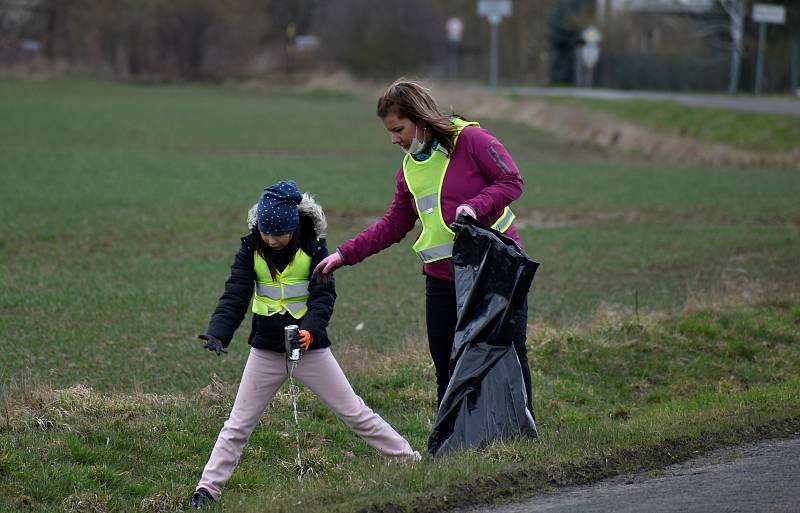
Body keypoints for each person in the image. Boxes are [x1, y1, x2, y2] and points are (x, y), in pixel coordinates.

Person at [190, 181, 419, 509]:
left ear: (294, 226)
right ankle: (207, 491)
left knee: (353, 411)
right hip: (266, 352)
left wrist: (310, 331)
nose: (272, 239)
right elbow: (235, 292)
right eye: (266, 232)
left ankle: (408, 459)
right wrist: (218, 332)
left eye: (279, 233)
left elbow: (324, 297)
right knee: (238, 425)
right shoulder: (250, 249)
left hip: (311, 350)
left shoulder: (315, 249)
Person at [314, 79, 534, 414]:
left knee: (509, 351)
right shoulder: (408, 171)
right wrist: (345, 254)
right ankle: (451, 443)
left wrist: (476, 206)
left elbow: (511, 181)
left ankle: (519, 432)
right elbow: (394, 224)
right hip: (443, 279)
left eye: (399, 129)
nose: (395, 140)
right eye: (390, 132)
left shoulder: (472, 140)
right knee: (446, 364)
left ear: (421, 118)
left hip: (495, 269)